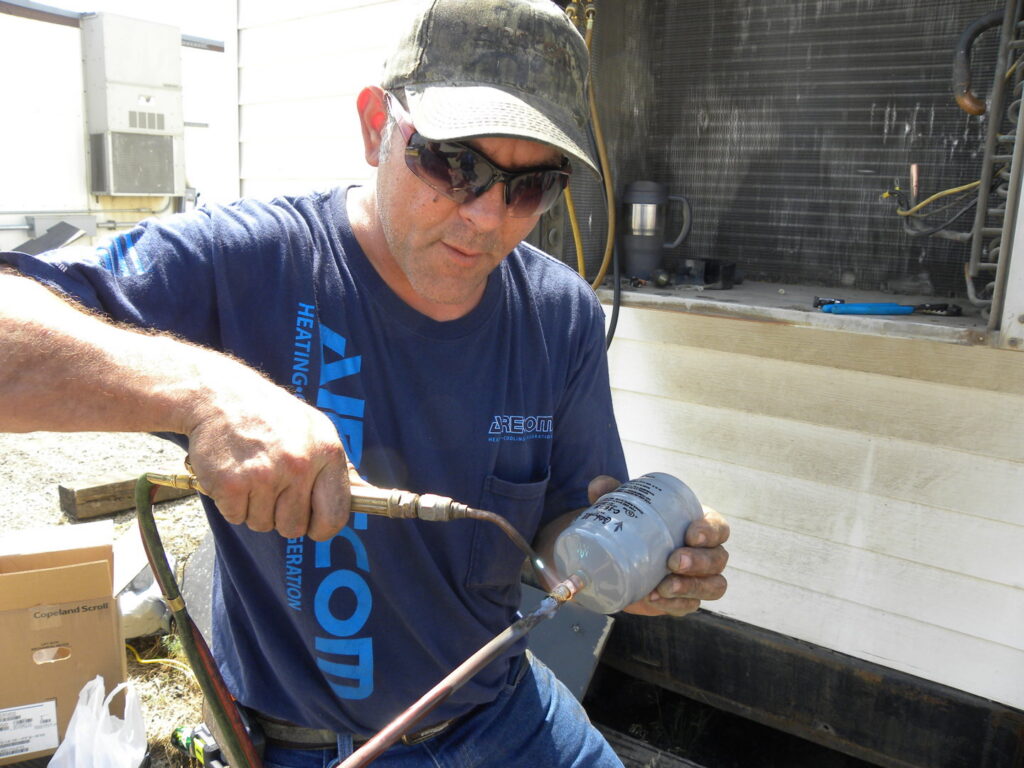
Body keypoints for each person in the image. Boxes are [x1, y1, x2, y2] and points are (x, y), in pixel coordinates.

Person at [0, 0, 729, 765]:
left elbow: (552, 540)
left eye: (530, 187)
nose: (486, 217)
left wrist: (631, 565)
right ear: (376, 126)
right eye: (456, 162)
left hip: (504, 712)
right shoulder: (255, 264)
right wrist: (208, 393)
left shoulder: (560, 315)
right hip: (312, 746)